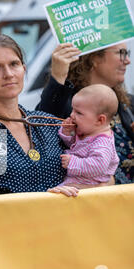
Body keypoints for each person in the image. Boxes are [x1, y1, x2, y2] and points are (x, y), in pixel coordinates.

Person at [0, 32, 81, 199]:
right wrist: (45, 198)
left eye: (14, 64)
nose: (8, 74)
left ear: (23, 69)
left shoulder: (47, 123)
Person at [36, 42, 134, 184]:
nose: (127, 60)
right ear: (94, 58)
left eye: (127, 53)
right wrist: (58, 76)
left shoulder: (127, 102)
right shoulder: (69, 103)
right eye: (121, 53)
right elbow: (41, 125)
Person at [53, 84, 119, 188]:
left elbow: (98, 166)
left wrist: (73, 162)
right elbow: (74, 146)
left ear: (100, 120)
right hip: (77, 182)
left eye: (78, 113)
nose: (71, 115)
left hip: (88, 186)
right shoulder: (88, 132)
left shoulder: (103, 142)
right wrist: (67, 133)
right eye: (72, 110)